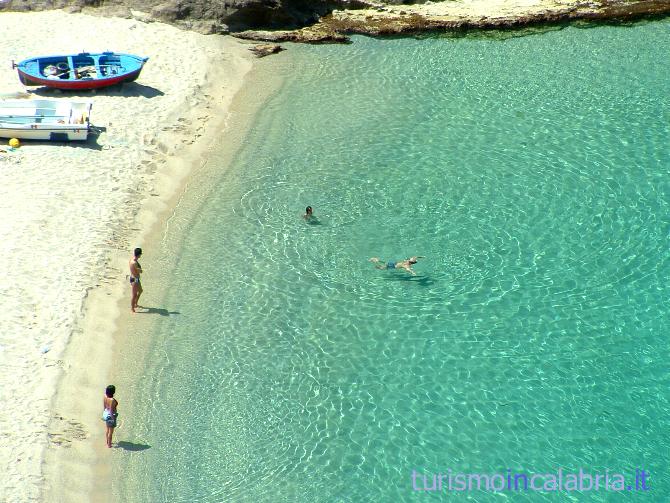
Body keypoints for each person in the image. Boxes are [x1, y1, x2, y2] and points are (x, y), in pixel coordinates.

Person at [129, 247, 143, 313]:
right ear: (139, 254)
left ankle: (135, 303)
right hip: (135, 279)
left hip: (134, 278)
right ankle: (132, 308)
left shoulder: (131, 260)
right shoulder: (134, 263)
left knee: (140, 291)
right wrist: (141, 270)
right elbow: (139, 271)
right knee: (134, 294)